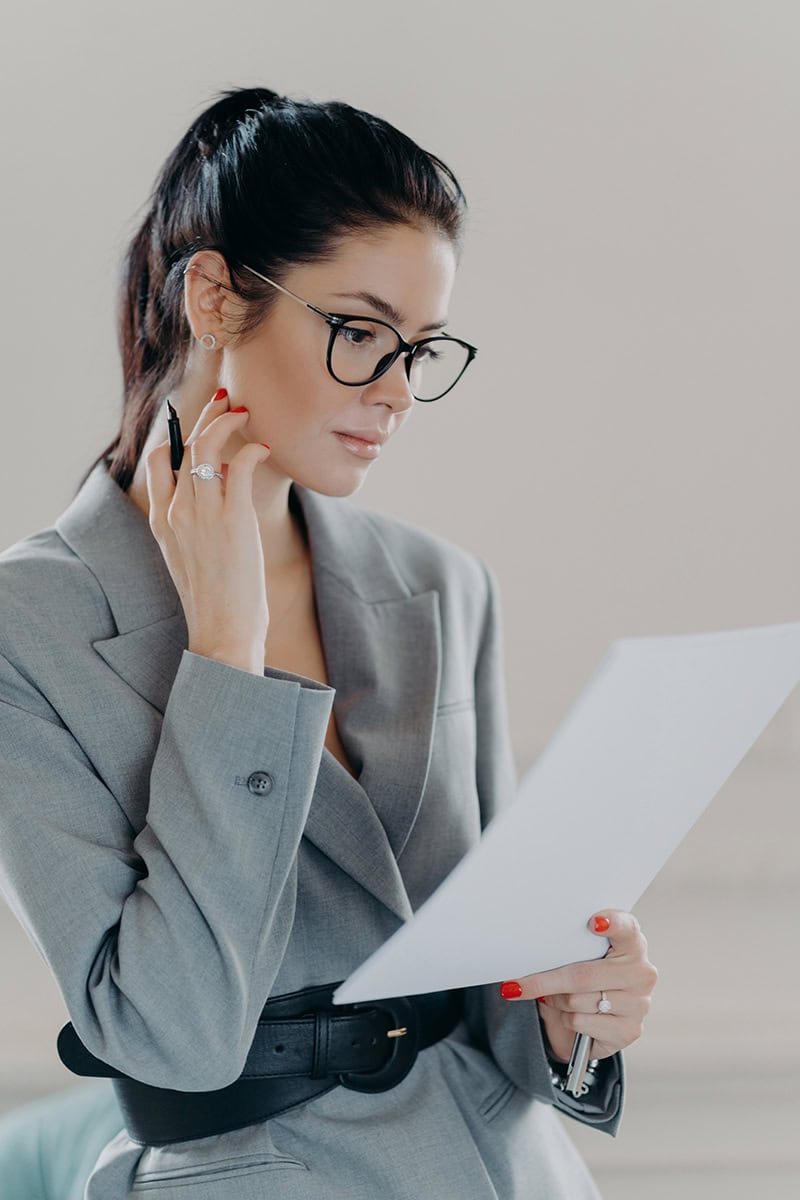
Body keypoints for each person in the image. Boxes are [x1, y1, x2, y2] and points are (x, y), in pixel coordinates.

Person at [0, 86, 657, 1199]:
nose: (397, 393)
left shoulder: (440, 585)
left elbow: (491, 970)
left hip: (510, 1171)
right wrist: (225, 653)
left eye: (420, 349)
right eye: (358, 334)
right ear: (212, 296)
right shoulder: (33, 630)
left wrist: (575, 1013)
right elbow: (172, 1035)